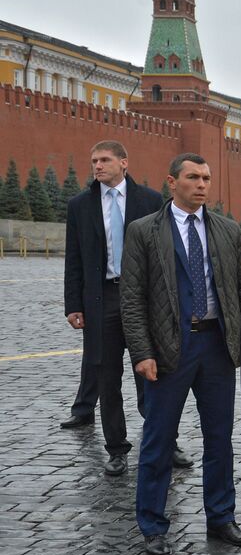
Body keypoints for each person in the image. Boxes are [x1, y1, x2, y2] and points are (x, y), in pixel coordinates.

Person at [120, 154, 241, 555]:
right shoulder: (144, 231)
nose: (201, 185)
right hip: (167, 349)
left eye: (206, 178)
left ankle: (221, 516)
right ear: (172, 181)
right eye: (193, 177)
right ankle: (152, 524)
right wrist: (142, 352)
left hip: (216, 347)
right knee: (158, 439)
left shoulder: (228, 231)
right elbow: (132, 298)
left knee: (220, 438)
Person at [63, 140, 169, 476]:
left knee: (150, 376)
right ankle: (116, 449)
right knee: (107, 377)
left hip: (143, 299)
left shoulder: (150, 200)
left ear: (124, 162)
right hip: (102, 299)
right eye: (94, 160)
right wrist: (73, 305)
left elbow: (164, 254)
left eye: (105, 160)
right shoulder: (80, 205)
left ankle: (165, 441)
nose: (98, 166)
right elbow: (73, 259)